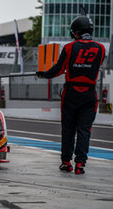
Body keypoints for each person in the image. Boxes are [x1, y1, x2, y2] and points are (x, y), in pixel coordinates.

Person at [36, 16, 105, 174]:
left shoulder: (68, 48)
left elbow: (58, 70)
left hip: (71, 94)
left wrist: (43, 74)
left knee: (68, 130)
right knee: (84, 130)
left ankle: (66, 162)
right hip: (89, 94)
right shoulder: (101, 49)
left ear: (75, 32)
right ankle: (80, 165)